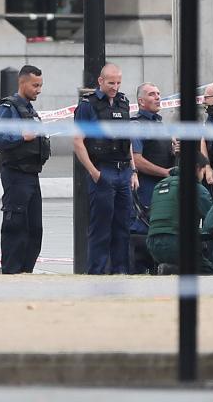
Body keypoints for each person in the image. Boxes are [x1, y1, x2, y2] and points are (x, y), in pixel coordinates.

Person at [73, 63, 139, 274]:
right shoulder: (88, 105)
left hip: (123, 170)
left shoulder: (123, 102)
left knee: (123, 226)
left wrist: (134, 170)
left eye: (118, 82)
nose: (115, 86)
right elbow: (78, 141)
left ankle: (121, 271)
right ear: (100, 81)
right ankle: (97, 272)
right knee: (101, 227)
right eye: (111, 82)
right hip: (103, 170)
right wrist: (94, 172)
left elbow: (126, 139)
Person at [0, 65, 50, 274]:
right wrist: (22, 137)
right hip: (15, 175)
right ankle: (12, 272)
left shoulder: (30, 110)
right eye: (35, 85)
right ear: (22, 83)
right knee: (16, 227)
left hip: (32, 175)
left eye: (40, 85)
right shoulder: (8, 108)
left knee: (35, 229)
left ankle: (26, 271)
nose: (38, 90)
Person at [130, 82, 177, 274]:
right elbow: (137, 160)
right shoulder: (137, 125)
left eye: (158, 93)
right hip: (146, 191)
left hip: (162, 191)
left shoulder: (159, 123)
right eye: (152, 94)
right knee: (142, 233)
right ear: (141, 101)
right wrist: (164, 172)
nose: (157, 97)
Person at [146, 152, 213, 274]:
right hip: (177, 244)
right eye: (203, 172)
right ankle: (172, 269)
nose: (203, 176)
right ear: (196, 168)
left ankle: (169, 269)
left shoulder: (159, 185)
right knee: (209, 270)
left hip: (153, 246)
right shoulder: (195, 187)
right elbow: (212, 221)